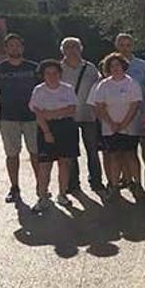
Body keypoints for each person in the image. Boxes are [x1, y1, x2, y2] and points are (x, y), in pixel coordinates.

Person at [0, 33, 40, 203]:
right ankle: (14, 187)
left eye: (17, 45)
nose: (15, 48)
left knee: (36, 153)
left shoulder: (34, 68)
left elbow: (44, 89)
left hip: (32, 117)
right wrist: (6, 103)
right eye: (11, 45)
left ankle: (41, 186)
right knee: (12, 154)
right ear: (6, 48)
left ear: (22, 48)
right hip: (8, 118)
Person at [87, 53, 144, 200]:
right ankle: (114, 185)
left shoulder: (132, 83)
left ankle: (137, 184)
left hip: (130, 127)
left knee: (131, 155)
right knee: (114, 156)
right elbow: (99, 106)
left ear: (123, 66)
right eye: (112, 66)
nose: (115, 68)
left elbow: (135, 105)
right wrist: (111, 123)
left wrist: (124, 123)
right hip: (109, 128)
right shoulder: (103, 85)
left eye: (117, 65)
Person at [28, 60, 80, 211]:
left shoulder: (67, 89)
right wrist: (47, 132)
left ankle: (62, 194)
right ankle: (42, 197)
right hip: (46, 128)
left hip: (66, 127)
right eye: (48, 73)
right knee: (45, 165)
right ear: (43, 75)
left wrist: (51, 113)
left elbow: (71, 109)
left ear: (60, 74)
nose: (52, 76)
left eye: (55, 73)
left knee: (65, 163)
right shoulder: (39, 90)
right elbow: (38, 113)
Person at [59, 37, 104, 192]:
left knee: (92, 150)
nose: (72, 50)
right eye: (68, 47)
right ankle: (73, 184)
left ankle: (96, 181)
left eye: (75, 46)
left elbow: (99, 88)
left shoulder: (90, 68)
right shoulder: (58, 69)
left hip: (88, 115)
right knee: (71, 152)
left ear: (81, 49)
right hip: (67, 116)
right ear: (62, 50)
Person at [115, 33, 145, 190]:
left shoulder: (142, 65)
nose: (125, 48)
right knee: (126, 150)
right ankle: (128, 179)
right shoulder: (112, 64)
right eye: (122, 45)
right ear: (117, 46)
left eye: (128, 45)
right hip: (120, 116)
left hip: (140, 114)